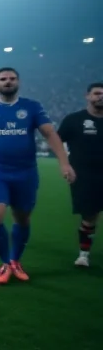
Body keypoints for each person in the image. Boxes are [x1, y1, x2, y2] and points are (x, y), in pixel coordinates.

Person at [0, 67, 75, 284]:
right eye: (3, 79)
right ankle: (5, 263)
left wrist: (64, 163)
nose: (8, 82)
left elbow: (50, 133)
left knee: (22, 218)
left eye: (12, 78)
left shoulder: (32, 107)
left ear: (19, 82)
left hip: (26, 173)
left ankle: (15, 260)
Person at [58, 82, 103, 267]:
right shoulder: (74, 120)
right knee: (89, 216)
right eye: (97, 93)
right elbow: (56, 141)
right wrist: (65, 165)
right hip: (84, 176)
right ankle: (84, 254)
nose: (101, 96)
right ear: (88, 96)